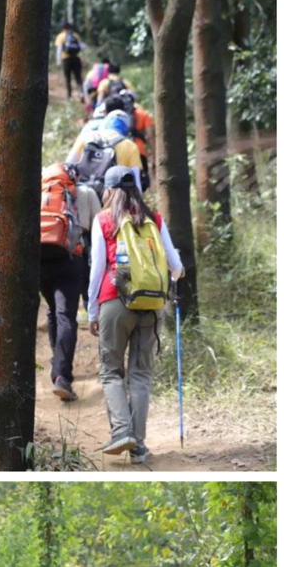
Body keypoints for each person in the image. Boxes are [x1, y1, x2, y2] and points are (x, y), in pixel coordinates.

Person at [87, 166, 184, 462]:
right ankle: (138, 446)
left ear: (108, 190)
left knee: (111, 371)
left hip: (115, 301)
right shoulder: (154, 219)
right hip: (152, 306)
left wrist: (92, 310)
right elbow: (176, 266)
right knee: (141, 375)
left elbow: (97, 270)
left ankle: (121, 433)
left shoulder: (104, 220)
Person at [41, 162, 102, 403]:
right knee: (66, 315)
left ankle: (58, 367)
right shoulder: (85, 192)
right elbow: (98, 227)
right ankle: (61, 376)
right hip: (70, 259)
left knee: (53, 313)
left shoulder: (42, 194)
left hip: (39, 259)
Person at [69, 102, 144, 197]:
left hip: (81, 191)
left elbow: (68, 164)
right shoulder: (129, 145)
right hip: (111, 198)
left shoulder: (86, 137)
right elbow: (136, 182)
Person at [54, 21, 86, 102]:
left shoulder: (61, 36)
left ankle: (69, 96)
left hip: (66, 59)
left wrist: (58, 61)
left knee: (68, 78)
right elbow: (82, 46)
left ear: (62, 28)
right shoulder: (75, 35)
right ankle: (81, 93)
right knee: (78, 77)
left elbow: (59, 49)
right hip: (76, 58)